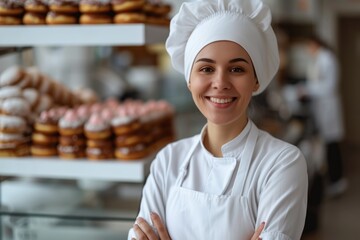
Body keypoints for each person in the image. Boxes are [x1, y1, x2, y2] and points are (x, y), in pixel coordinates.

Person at [128, 0, 308, 239]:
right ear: (189, 79)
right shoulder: (168, 161)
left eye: (237, 69)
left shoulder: (282, 164)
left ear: (256, 80)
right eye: (206, 69)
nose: (220, 83)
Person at [303, 35, 347, 197]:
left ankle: (337, 181)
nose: (308, 50)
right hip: (322, 107)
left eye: (309, 46)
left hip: (328, 108)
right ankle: (334, 180)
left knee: (332, 146)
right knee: (328, 146)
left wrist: (307, 90)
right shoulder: (320, 59)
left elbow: (328, 87)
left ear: (315, 44)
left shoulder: (327, 59)